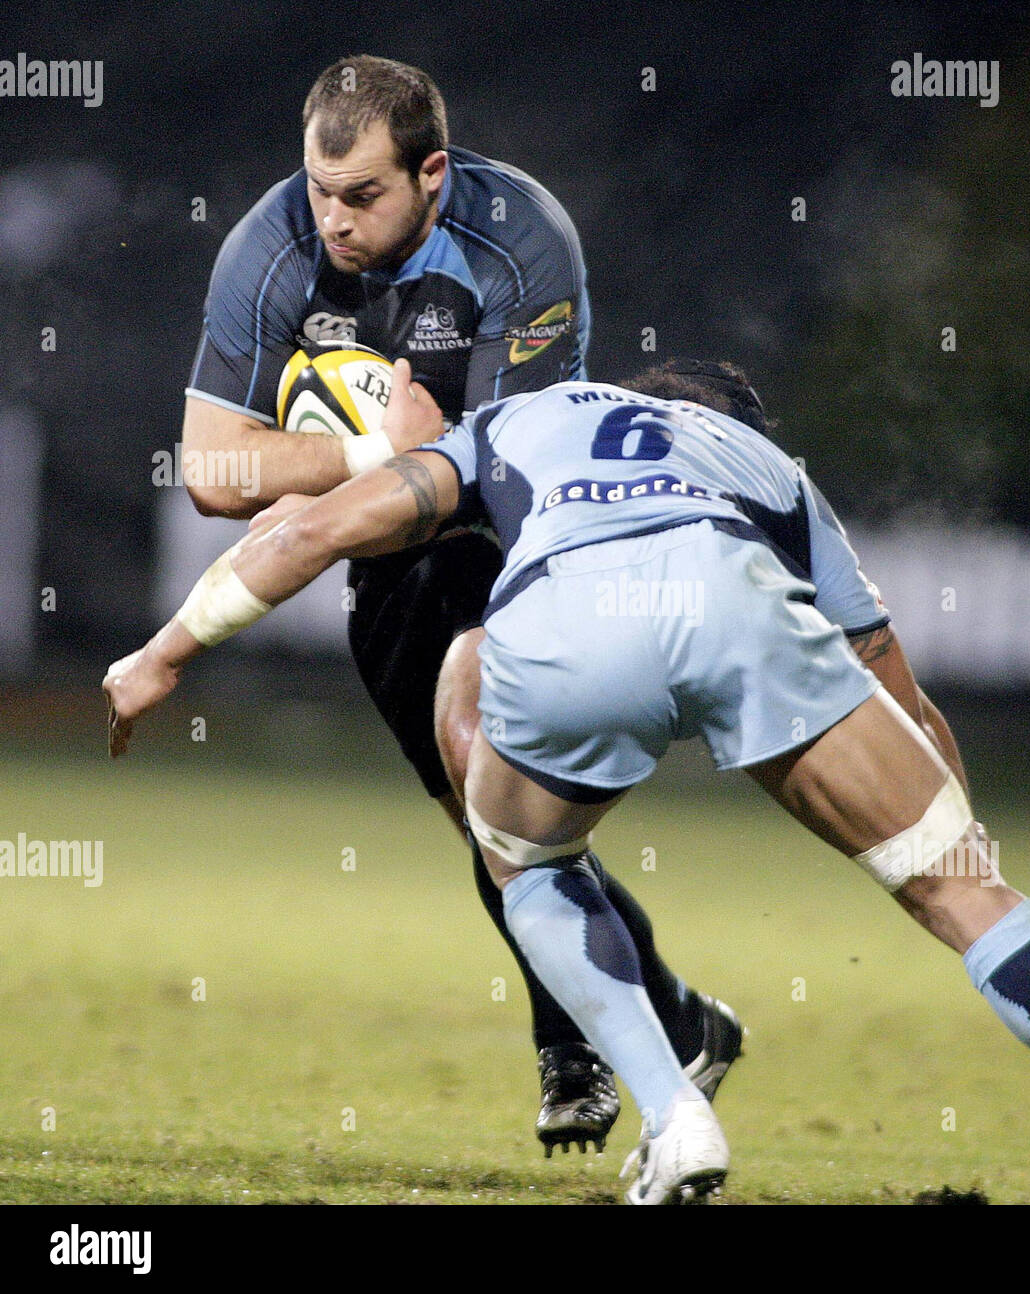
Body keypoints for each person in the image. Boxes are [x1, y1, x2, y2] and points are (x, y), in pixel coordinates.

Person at [104, 360, 1030, 1209]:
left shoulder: (525, 417)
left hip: (574, 620)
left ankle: (677, 1115)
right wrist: (943, 841)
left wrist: (161, 656)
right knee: (966, 890)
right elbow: (897, 688)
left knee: (521, 852)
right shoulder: (770, 466)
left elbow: (309, 532)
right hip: (738, 604)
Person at [179, 52, 741, 1152]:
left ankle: (581, 1044)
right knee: (486, 825)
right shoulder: (271, 242)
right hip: (382, 562)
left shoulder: (520, 240)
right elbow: (208, 470)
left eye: (362, 195)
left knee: (503, 812)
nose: (331, 220)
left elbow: (486, 467)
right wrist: (360, 450)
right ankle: (679, 1021)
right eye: (318, 189)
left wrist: (344, 465)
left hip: (508, 546)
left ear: (431, 172)